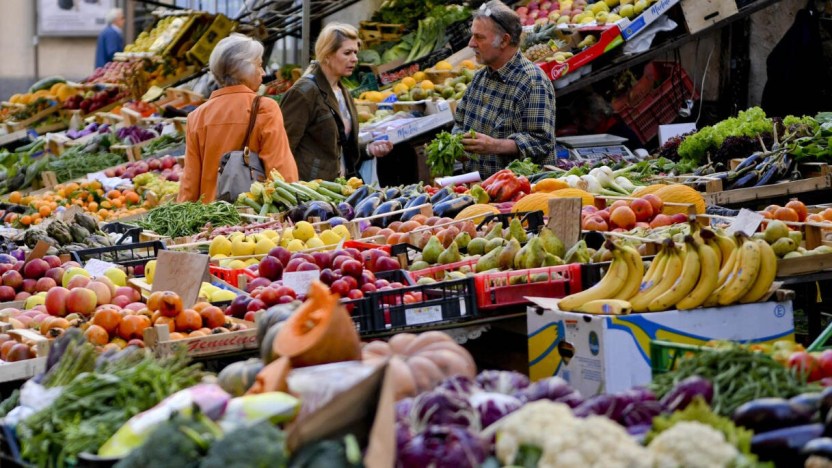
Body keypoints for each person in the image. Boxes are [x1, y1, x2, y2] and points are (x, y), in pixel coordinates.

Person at [178, 34, 298, 202]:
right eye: (259, 65)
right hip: (254, 219)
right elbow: (282, 175)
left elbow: (189, 184)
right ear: (244, 69)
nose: (263, 73)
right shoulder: (265, 108)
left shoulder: (197, 116)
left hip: (211, 220)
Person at [454, 0, 557, 179]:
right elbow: (459, 123)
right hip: (479, 190)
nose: (471, 43)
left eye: (479, 37)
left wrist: (495, 146)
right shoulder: (480, 78)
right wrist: (458, 145)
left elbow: (541, 143)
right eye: (472, 36)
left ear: (504, 40)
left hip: (519, 194)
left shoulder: (532, 82)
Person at [280, 23, 392, 181]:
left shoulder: (342, 91)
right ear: (327, 54)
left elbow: (337, 146)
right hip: (312, 191)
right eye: (347, 53)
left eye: (355, 52)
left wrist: (368, 149)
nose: (354, 59)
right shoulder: (304, 92)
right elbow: (283, 148)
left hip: (339, 188)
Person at [559, 91, 641, 149]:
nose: (578, 122)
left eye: (582, 118)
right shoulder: (589, 130)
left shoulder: (619, 132)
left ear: (600, 114)